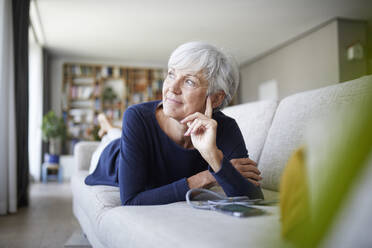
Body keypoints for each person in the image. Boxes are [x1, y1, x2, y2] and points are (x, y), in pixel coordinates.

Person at [85, 41, 264, 205]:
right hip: (112, 158)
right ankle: (108, 128)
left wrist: (213, 155)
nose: (172, 88)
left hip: (134, 144)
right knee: (113, 138)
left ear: (216, 98)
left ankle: (109, 128)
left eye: (189, 81)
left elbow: (253, 198)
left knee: (118, 133)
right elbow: (132, 200)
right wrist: (209, 176)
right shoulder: (137, 116)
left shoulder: (225, 128)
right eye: (171, 74)